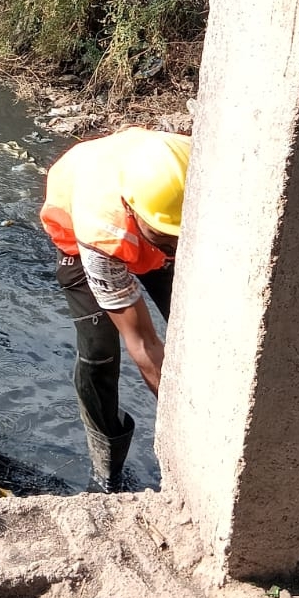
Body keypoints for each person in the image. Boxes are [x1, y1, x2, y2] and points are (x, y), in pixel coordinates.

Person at [40, 128, 191, 493]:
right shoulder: (100, 231)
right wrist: (186, 432)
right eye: (165, 238)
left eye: (181, 238)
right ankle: (106, 471)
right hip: (81, 241)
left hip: (156, 220)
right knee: (99, 352)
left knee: (199, 329)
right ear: (132, 211)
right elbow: (143, 343)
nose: (175, 248)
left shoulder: (198, 167)